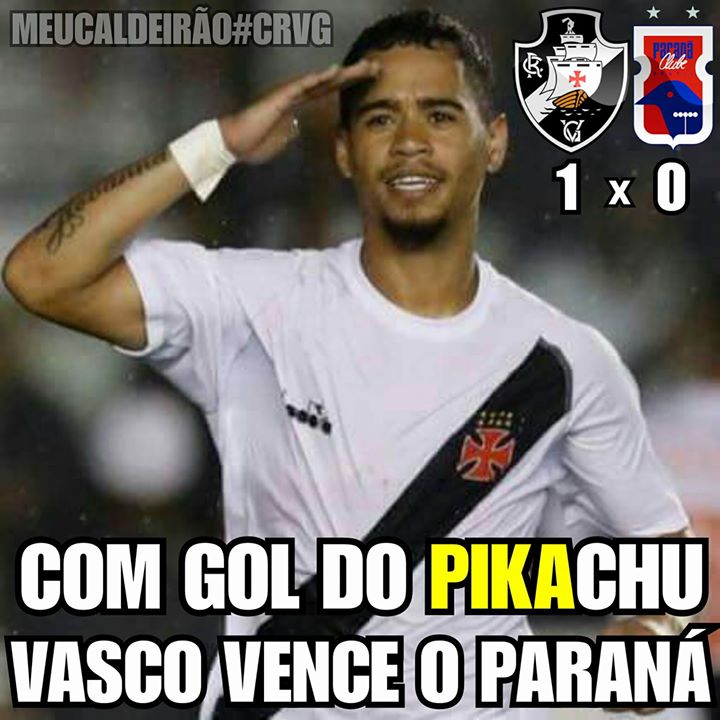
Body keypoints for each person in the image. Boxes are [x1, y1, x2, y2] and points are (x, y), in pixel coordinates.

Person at [2, 9, 692, 719]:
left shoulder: (566, 362)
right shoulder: (255, 304)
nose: (411, 141)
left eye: (440, 115)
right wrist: (218, 144)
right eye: (381, 119)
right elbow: (41, 275)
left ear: (495, 143)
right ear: (344, 152)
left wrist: (652, 631)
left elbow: (665, 560)